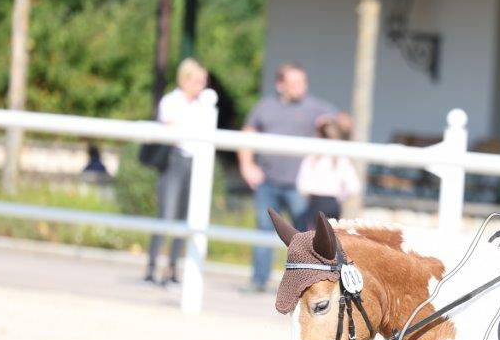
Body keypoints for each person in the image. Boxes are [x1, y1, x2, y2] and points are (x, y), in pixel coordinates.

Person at [239, 62, 337, 292]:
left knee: (303, 236)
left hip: (299, 186)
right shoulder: (265, 107)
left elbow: (340, 121)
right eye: (294, 82)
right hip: (268, 181)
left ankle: (304, 284)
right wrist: (247, 166)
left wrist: (328, 124)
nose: (300, 87)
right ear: (280, 85)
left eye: (302, 82)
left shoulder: (315, 107)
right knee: (264, 230)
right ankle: (258, 280)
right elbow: (247, 134)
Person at [145, 58, 217, 286]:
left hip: (196, 162)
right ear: (185, 80)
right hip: (175, 160)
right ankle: (151, 268)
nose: (201, 86)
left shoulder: (203, 105)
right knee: (166, 215)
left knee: (187, 218)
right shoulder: (171, 101)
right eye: (197, 81)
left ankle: (172, 269)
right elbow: (172, 131)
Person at [296, 112, 361, 226]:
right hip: (331, 204)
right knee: (330, 235)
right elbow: (354, 187)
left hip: (315, 203)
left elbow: (302, 185)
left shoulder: (313, 157)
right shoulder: (340, 158)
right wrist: (341, 196)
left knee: (313, 235)